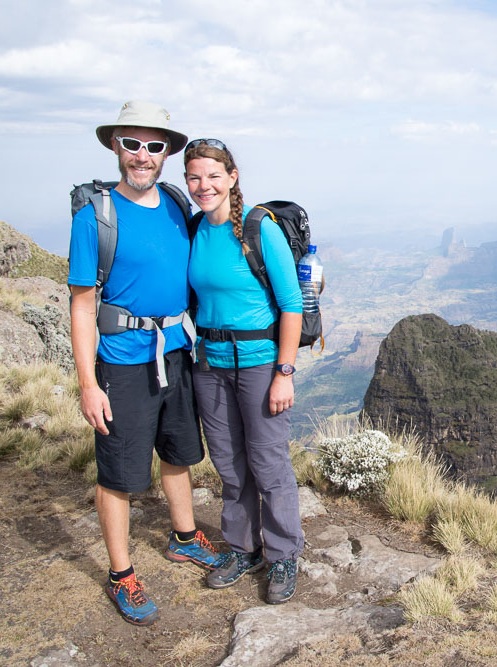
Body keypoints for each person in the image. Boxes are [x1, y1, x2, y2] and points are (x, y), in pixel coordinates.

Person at [68, 101, 220, 626]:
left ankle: (184, 537)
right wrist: (88, 383)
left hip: (175, 351)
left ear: (165, 154)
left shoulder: (177, 204)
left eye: (153, 146)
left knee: (177, 452)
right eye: (131, 143)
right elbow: (83, 304)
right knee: (119, 472)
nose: (142, 155)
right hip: (122, 360)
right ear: (115, 147)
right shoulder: (96, 217)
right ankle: (121, 575)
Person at [183, 137, 305, 604]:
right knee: (230, 466)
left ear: (232, 178)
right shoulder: (197, 230)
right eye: (194, 177)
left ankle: (282, 555)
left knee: (268, 464)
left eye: (213, 176)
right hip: (209, 364)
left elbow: (291, 304)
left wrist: (285, 371)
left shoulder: (258, 228)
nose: (203, 185)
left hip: (259, 365)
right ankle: (242, 548)